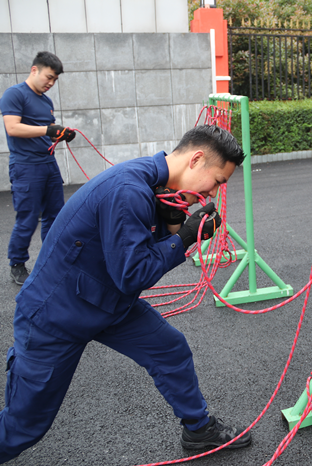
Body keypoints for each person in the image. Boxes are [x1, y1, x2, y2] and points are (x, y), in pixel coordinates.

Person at [0, 125, 252, 463]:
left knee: (170, 349)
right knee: (23, 427)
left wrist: (174, 222)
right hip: (54, 315)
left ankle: (198, 429)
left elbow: (137, 255)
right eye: (218, 182)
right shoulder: (129, 190)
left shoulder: (156, 186)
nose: (214, 194)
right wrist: (186, 237)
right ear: (196, 160)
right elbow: (133, 274)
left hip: (104, 301)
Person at [0, 51, 76, 286]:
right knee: (28, 218)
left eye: (55, 80)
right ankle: (17, 264)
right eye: (49, 77)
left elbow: (48, 130)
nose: (51, 83)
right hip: (26, 166)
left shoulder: (46, 101)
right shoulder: (14, 94)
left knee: (55, 216)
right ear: (35, 70)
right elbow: (13, 128)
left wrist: (62, 134)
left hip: (48, 163)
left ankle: (51, 260)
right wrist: (48, 130)